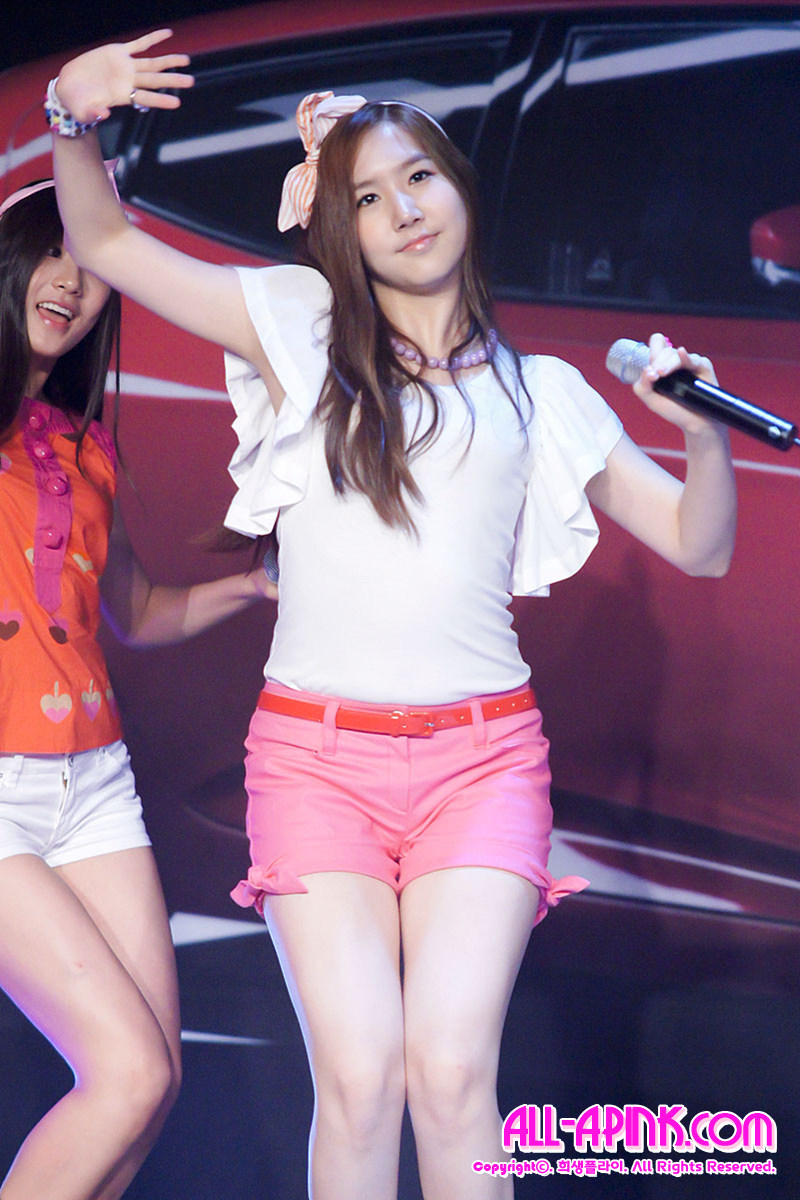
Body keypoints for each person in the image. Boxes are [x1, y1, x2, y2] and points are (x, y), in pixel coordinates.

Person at [48, 30, 737, 1200]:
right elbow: (108, 240)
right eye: (367, 197)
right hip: (315, 765)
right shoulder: (300, 326)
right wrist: (73, 119)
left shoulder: (543, 392)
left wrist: (702, 436)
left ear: (459, 189)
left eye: (418, 177)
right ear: (342, 230)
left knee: (453, 1076)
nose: (403, 210)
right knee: (361, 1081)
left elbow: (697, 544)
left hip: (483, 766)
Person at [0, 172, 275, 1200]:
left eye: (91, 267)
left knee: (151, 1083)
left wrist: (255, 583)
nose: (71, 284)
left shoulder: (85, 446)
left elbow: (138, 611)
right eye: (49, 254)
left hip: (95, 785)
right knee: (129, 1072)